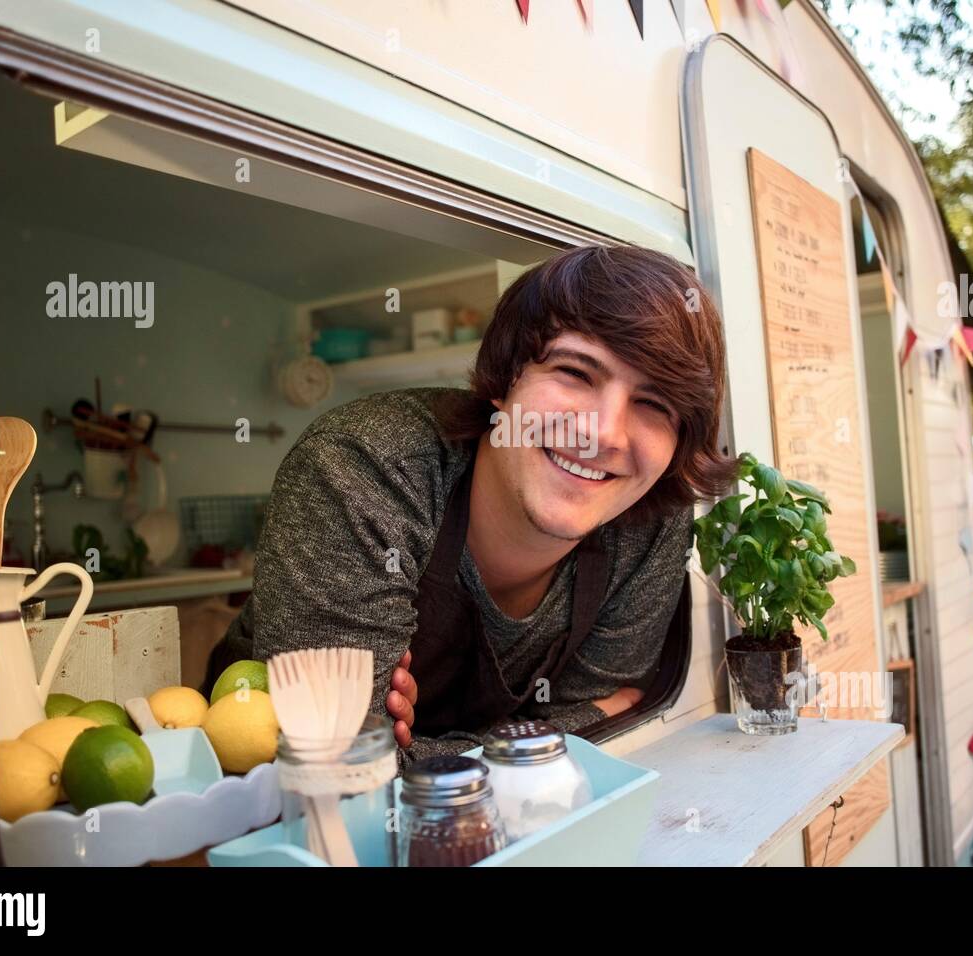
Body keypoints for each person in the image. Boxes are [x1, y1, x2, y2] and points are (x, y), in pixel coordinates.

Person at [210, 245, 733, 763]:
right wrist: (569, 726)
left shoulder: (650, 518)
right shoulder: (363, 468)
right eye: (575, 373)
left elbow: (607, 741)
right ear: (504, 381)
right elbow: (341, 767)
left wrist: (423, 753)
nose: (604, 433)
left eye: (653, 403)